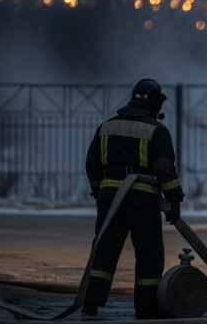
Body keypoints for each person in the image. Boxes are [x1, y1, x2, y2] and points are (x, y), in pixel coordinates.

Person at [82, 79, 184, 319]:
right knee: (149, 253)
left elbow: (92, 164)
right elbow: (164, 169)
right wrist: (174, 201)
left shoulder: (106, 126)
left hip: (110, 201)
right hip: (142, 202)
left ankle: (90, 302)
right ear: (156, 102)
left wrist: (100, 192)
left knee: (104, 250)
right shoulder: (157, 130)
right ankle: (146, 308)